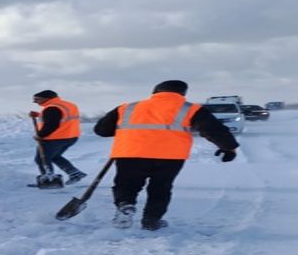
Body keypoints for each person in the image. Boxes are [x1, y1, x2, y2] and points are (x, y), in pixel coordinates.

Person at [93, 80, 239, 231]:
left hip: (131, 153)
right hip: (170, 156)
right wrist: (229, 148)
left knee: (126, 184)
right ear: (182, 93)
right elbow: (213, 129)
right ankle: (151, 221)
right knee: (160, 188)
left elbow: (101, 130)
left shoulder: (127, 108)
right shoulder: (190, 109)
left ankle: (125, 205)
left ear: (155, 92)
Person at [29, 89, 86, 185]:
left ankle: (48, 180)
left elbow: (51, 124)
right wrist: (39, 115)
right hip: (71, 137)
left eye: (37, 99)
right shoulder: (68, 105)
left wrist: (40, 135)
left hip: (55, 139)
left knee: (41, 159)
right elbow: (60, 117)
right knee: (54, 156)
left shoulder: (51, 108)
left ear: (46, 98)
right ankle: (75, 173)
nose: (34, 102)